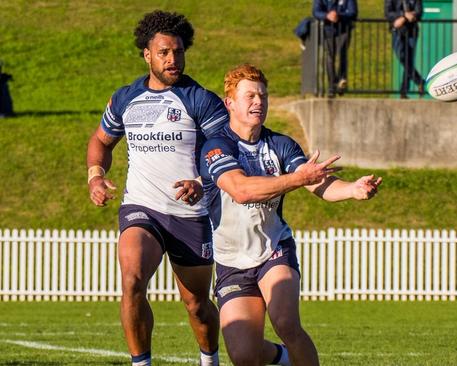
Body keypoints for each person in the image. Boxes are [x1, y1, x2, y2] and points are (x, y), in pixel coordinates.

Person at [86, 11, 286, 366]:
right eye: (164, 52)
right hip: (140, 207)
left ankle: (209, 359)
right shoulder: (125, 98)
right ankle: (140, 362)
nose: (172, 59)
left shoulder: (200, 100)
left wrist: (200, 181)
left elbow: (225, 149)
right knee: (132, 280)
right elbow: (101, 142)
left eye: (178, 52)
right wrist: (95, 175)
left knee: (196, 303)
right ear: (147, 54)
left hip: (190, 214)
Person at [200, 64, 382, 366]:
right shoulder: (217, 147)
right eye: (250, 96)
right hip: (231, 261)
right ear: (229, 102)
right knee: (245, 356)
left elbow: (316, 182)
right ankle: (281, 358)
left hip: (274, 248)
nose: (259, 102)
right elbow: (241, 190)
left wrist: (352, 189)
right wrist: (299, 179)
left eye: (263, 96)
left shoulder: (280, 145)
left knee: (286, 323)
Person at [312, 0, 358, 98]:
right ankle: (332, 85)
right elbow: (316, 11)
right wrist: (327, 16)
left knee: (342, 54)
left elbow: (353, 12)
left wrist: (339, 15)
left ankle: (342, 82)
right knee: (330, 56)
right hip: (328, 30)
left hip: (344, 30)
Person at [385, 0, 425, 99]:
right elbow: (388, 13)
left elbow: (419, 12)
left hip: (412, 32)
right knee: (403, 57)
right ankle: (419, 81)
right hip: (397, 31)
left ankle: (404, 92)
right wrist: (404, 15)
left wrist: (405, 17)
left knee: (408, 60)